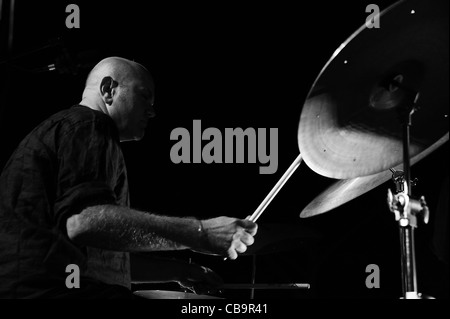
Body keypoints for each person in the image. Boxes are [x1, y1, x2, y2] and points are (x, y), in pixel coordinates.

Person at [0, 57, 258, 299]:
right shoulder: (89, 124)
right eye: (144, 96)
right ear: (108, 89)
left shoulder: (71, 131)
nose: (152, 112)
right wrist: (201, 233)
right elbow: (85, 222)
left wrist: (180, 271)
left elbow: (101, 257)